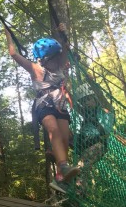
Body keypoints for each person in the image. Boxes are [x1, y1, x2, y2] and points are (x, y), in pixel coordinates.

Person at [5, 24, 80, 194]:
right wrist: (8, 34)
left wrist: (62, 32)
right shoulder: (35, 68)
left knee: (64, 137)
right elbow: (13, 54)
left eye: (56, 58)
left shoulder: (61, 63)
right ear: (43, 60)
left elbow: (65, 47)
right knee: (53, 130)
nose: (56, 62)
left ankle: (61, 178)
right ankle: (63, 166)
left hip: (60, 105)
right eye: (51, 59)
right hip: (44, 105)